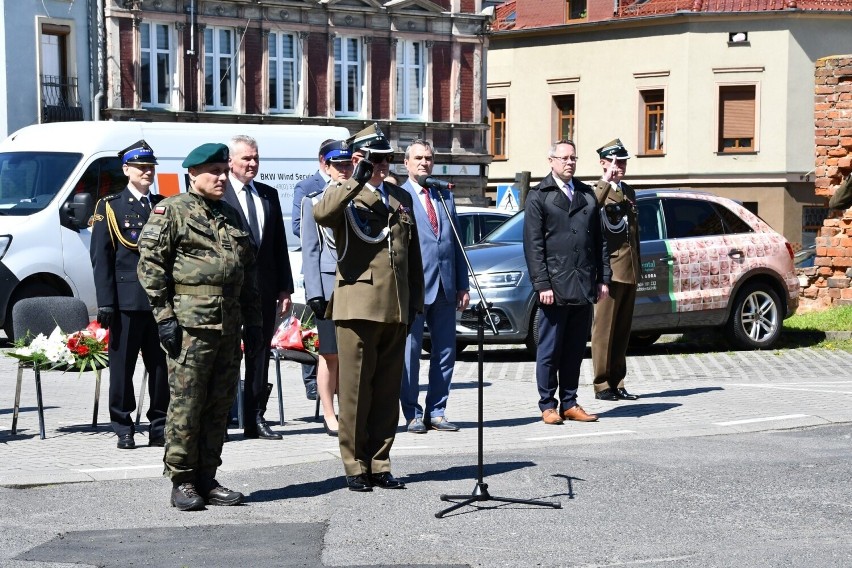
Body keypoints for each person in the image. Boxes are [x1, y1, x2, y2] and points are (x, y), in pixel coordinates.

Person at [137, 142, 263, 511]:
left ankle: (208, 476)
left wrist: (254, 325)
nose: (222, 177)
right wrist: (164, 319)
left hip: (228, 325)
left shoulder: (231, 214)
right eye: (214, 171)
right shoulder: (171, 211)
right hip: (191, 326)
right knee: (187, 404)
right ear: (192, 174)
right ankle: (182, 479)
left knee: (219, 404)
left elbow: (248, 275)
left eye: (225, 170)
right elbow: (150, 268)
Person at [313, 124, 424, 492]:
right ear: (359, 159)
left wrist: (415, 302)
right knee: (356, 392)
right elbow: (323, 216)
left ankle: (380, 461)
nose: (382, 165)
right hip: (357, 306)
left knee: (387, 391)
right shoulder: (343, 194)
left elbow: (413, 258)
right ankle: (354, 464)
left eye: (386, 158)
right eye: (375, 159)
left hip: (394, 307)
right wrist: (354, 180)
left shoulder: (398, 198)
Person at [523, 139, 610, 426]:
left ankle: (569, 402)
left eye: (573, 158)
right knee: (549, 350)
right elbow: (533, 247)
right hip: (555, 288)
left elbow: (599, 243)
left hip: (583, 284)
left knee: (574, 350)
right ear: (551, 161)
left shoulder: (586, 195)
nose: (569, 162)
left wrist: (602, 279)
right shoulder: (539, 197)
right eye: (564, 158)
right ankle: (548, 405)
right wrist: (542, 284)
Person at [89, 139, 169, 450]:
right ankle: (123, 425)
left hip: (159, 302)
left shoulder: (163, 204)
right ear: (126, 170)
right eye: (141, 167)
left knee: (161, 368)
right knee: (122, 370)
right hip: (126, 302)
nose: (147, 172)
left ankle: (159, 425)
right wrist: (106, 301)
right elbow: (102, 258)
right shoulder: (110, 206)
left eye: (150, 167)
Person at [222, 135, 293, 440]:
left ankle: (255, 417)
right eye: (245, 158)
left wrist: (284, 288)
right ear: (230, 162)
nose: (251, 163)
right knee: (225, 354)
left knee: (259, 353)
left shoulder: (268, 194)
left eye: (255, 158)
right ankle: (222, 417)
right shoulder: (219, 193)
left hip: (262, 291)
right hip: (227, 290)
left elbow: (278, 246)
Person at [400, 140, 469, 434]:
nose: (424, 163)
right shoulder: (399, 195)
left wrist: (462, 285)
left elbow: (455, 243)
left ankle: (437, 411)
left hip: (446, 286)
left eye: (428, 158)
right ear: (406, 163)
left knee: (445, 352)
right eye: (418, 158)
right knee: (410, 353)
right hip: (414, 289)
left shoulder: (443, 195)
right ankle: (412, 413)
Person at [300, 139, 353, 437]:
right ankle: (329, 413)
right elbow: (310, 249)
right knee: (330, 354)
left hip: (355, 285)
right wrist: (314, 293)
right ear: (326, 166)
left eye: (348, 164)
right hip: (328, 284)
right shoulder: (314, 200)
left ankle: (350, 409)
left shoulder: (359, 199)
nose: (344, 170)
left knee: (350, 354)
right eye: (338, 165)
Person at [591, 139, 641, 402]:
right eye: (614, 162)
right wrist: (605, 181)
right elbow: (590, 212)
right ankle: (601, 384)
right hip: (609, 271)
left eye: (622, 162)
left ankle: (618, 381)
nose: (619, 166)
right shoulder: (597, 190)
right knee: (604, 331)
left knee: (622, 331)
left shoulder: (629, 192)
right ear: (603, 163)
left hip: (629, 270)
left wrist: (638, 269)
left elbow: (634, 235)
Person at [291, 139, 335, 402]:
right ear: (323, 161)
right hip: (321, 273)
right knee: (318, 338)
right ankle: (312, 383)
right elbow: (300, 227)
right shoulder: (308, 189)